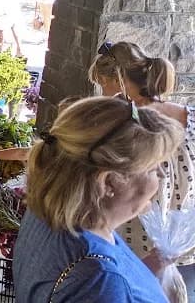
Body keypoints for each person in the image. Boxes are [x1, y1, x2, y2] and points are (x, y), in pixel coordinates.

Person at [14, 96, 183, 303]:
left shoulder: (54, 212)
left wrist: (150, 267)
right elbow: (98, 283)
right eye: (152, 169)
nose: (162, 176)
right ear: (109, 182)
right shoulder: (99, 281)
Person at [89, 41, 195, 294]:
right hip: (186, 242)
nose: (103, 91)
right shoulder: (189, 115)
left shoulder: (123, 119)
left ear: (119, 80)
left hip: (135, 243)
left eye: (103, 83)